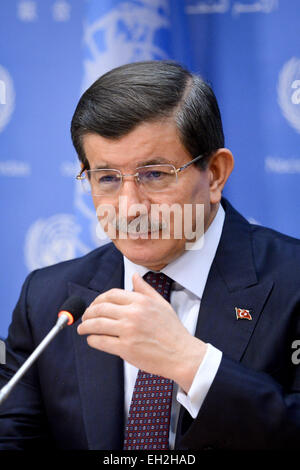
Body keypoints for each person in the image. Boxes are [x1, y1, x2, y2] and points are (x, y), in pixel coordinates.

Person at [0, 60, 299, 451]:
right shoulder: (47, 298)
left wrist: (193, 366)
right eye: (107, 178)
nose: (129, 208)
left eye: (154, 174)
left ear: (215, 173)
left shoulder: (292, 281)